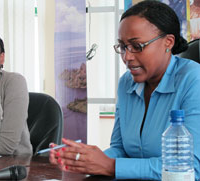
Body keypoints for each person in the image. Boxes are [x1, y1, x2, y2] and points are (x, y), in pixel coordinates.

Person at [49, 1, 200, 180]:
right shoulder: (126, 83)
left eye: (137, 47)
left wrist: (110, 165)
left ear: (168, 42)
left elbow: (191, 167)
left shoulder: (193, 80)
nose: (127, 57)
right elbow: (120, 149)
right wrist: (86, 159)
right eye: (122, 47)